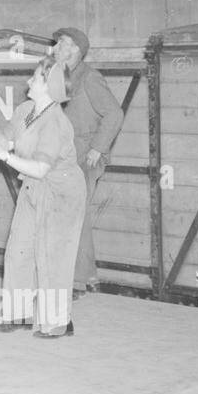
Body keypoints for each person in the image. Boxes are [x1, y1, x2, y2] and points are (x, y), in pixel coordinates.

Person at [0, 58, 86, 338]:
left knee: (52, 256)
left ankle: (57, 323)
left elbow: (40, 168)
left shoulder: (56, 123)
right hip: (34, 187)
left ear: (49, 87)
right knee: (19, 248)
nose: (29, 81)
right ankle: (18, 314)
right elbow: (9, 142)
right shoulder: (26, 110)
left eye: (36, 78)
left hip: (62, 192)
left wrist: (4, 156)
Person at [50, 27, 124, 296]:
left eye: (62, 43)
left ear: (75, 50)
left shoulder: (89, 78)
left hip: (83, 155)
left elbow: (114, 114)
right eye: (57, 43)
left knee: (73, 216)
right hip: (64, 154)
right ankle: (79, 278)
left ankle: (77, 281)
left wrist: (97, 148)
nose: (56, 47)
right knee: (68, 216)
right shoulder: (60, 76)